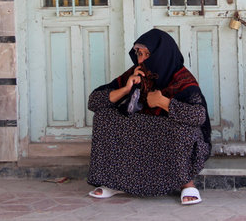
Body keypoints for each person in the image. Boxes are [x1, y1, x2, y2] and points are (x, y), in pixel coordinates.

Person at [87, 28, 211, 205]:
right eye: (139, 53)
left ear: (161, 55)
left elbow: (198, 116)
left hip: (168, 134)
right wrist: (125, 89)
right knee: (104, 116)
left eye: (147, 54)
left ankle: (186, 183)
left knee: (183, 128)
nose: (142, 59)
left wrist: (163, 102)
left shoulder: (181, 78)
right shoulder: (137, 72)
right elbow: (94, 102)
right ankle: (114, 181)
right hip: (144, 131)